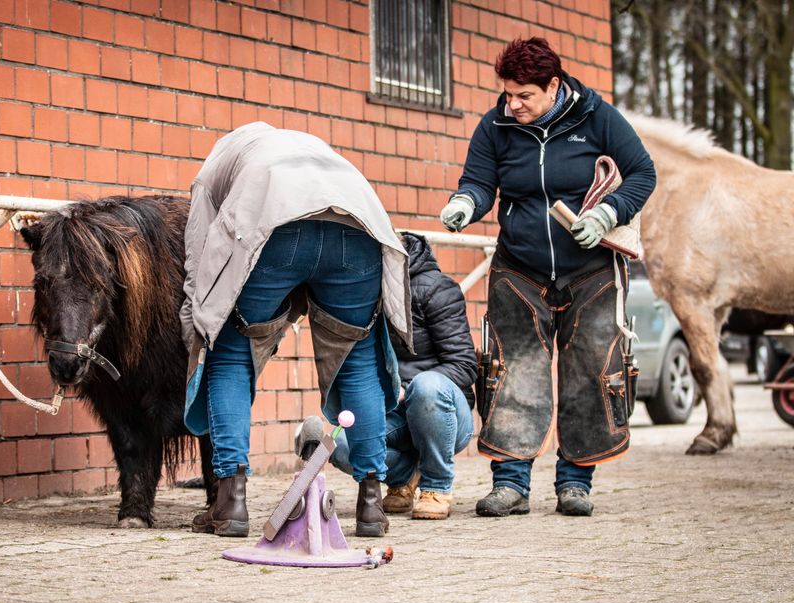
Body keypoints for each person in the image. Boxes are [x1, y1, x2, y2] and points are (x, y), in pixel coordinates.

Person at [439, 37, 656, 517]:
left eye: (524, 96)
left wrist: (606, 214)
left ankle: (575, 483)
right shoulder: (495, 126)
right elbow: (479, 182)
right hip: (520, 268)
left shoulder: (598, 117)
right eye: (508, 93)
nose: (512, 104)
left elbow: (643, 173)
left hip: (592, 270)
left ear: (553, 86)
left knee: (589, 374)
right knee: (512, 372)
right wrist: (465, 204)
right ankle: (511, 484)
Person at [181, 122, 412, 538]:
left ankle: (231, 503)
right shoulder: (316, 149)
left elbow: (201, 259)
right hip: (358, 228)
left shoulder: (217, 163)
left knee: (230, 351)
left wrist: (197, 324)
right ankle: (372, 504)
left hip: (276, 230)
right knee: (358, 359)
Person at [314, 232, 478, 520]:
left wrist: (406, 387)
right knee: (336, 445)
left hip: (442, 411)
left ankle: (437, 486)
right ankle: (404, 479)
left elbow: (464, 365)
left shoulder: (437, 289)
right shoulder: (364, 293)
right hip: (395, 414)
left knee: (426, 386)